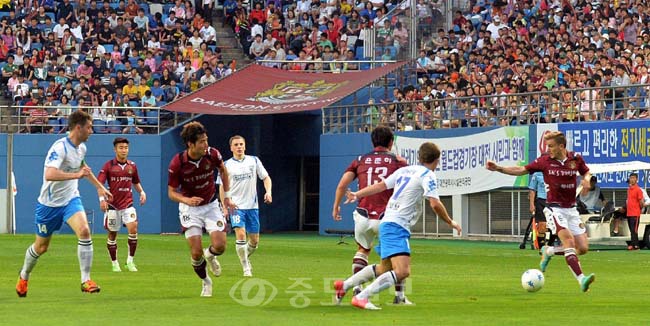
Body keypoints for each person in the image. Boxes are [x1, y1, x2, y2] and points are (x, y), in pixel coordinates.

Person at [334, 142, 462, 310]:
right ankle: (362, 297)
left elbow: (380, 186)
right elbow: (435, 204)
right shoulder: (427, 175)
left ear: (419, 157)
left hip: (387, 221)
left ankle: (344, 286)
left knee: (383, 268)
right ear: (437, 160)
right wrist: (450, 222)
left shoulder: (404, 171)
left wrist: (358, 194)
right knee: (402, 271)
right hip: (396, 225)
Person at [16, 110, 112, 297]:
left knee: (84, 231)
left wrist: (99, 187)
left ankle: (86, 280)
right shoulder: (59, 148)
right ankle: (24, 275)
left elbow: (84, 169)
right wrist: (76, 175)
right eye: (89, 127)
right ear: (78, 128)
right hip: (49, 205)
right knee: (41, 247)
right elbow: (49, 174)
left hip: (70, 200)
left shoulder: (81, 148)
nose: (92, 131)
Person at [486, 131, 595, 292]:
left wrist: (586, 180)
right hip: (553, 208)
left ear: (561, 146)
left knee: (583, 248)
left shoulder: (575, 159)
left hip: (571, 209)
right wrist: (499, 168)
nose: (548, 149)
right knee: (569, 242)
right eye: (547, 146)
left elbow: (586, 171)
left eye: (551, 146)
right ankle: (581, 280)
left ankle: (549, 250)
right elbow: (522, 169)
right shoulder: (544, 161)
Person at [331, 126, 409, 304]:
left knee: (362, 250)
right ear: (391, 142)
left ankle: (355, 288)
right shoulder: (398, 161)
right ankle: (399, 296)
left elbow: (343, 185)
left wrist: (336, 206)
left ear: (373, 142)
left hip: (362, 214)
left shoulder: (360, 160)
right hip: (386, 216)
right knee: (397, 255)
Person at [167, 121, 236, 297]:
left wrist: (226, 196)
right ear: (191, 144)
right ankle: (206, 282)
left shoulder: (212, 154)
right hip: (190, 209)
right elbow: (171, 193)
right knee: (196, 253)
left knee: (220, 246)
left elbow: (223, 170)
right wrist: (186, 200)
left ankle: (210, 255)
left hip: (212, 205)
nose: (206, 144)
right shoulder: (178, 163)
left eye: (206, 140)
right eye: (202, 142)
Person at [219, 135, 272, 277]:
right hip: (235, 207)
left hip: (252, 207)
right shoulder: (226, 165)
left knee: (254, 241)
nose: (239, 147)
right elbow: (222, 187)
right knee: (241, 234)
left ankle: (244, 257)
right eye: (236, 144)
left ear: (245, 146)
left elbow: (266, 177)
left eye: (241, 144)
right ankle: (245, 267)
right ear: (231, 148)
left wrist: (268, 192)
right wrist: (224, 206)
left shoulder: (254, 161)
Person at [97, 137, 146, 272]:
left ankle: (130, 261)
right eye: (121, 148)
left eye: (126, 148)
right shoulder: (108, 166)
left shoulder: (132, 166)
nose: (124, 150)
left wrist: (142, 192)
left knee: (133, 228)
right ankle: (115, 263)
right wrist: (102, 200)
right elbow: (99, 185)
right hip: (113, 206)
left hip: (128, 204)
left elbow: (135, 182)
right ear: (115, 149)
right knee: (113, 234)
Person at [528, 171, 555, 248]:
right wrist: (532, 204)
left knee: (554, 227)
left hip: (553, 202)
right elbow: (532, 190)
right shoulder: (537, 174)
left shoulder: (556, 171)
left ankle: (550, 245)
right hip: (541, 201)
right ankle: (542, 248)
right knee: (542, 225)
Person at [625, 173, 645, 250]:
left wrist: (639, 209)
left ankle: (636, 245)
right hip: (629, 213)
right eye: (631, 178)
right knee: (631, 230)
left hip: (635, 213)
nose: (632, 179)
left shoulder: (638, 190)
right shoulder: (629, 189)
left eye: (633, 178)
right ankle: (633, 244)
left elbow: (641, 202)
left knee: (634, 230)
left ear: (636, 179)